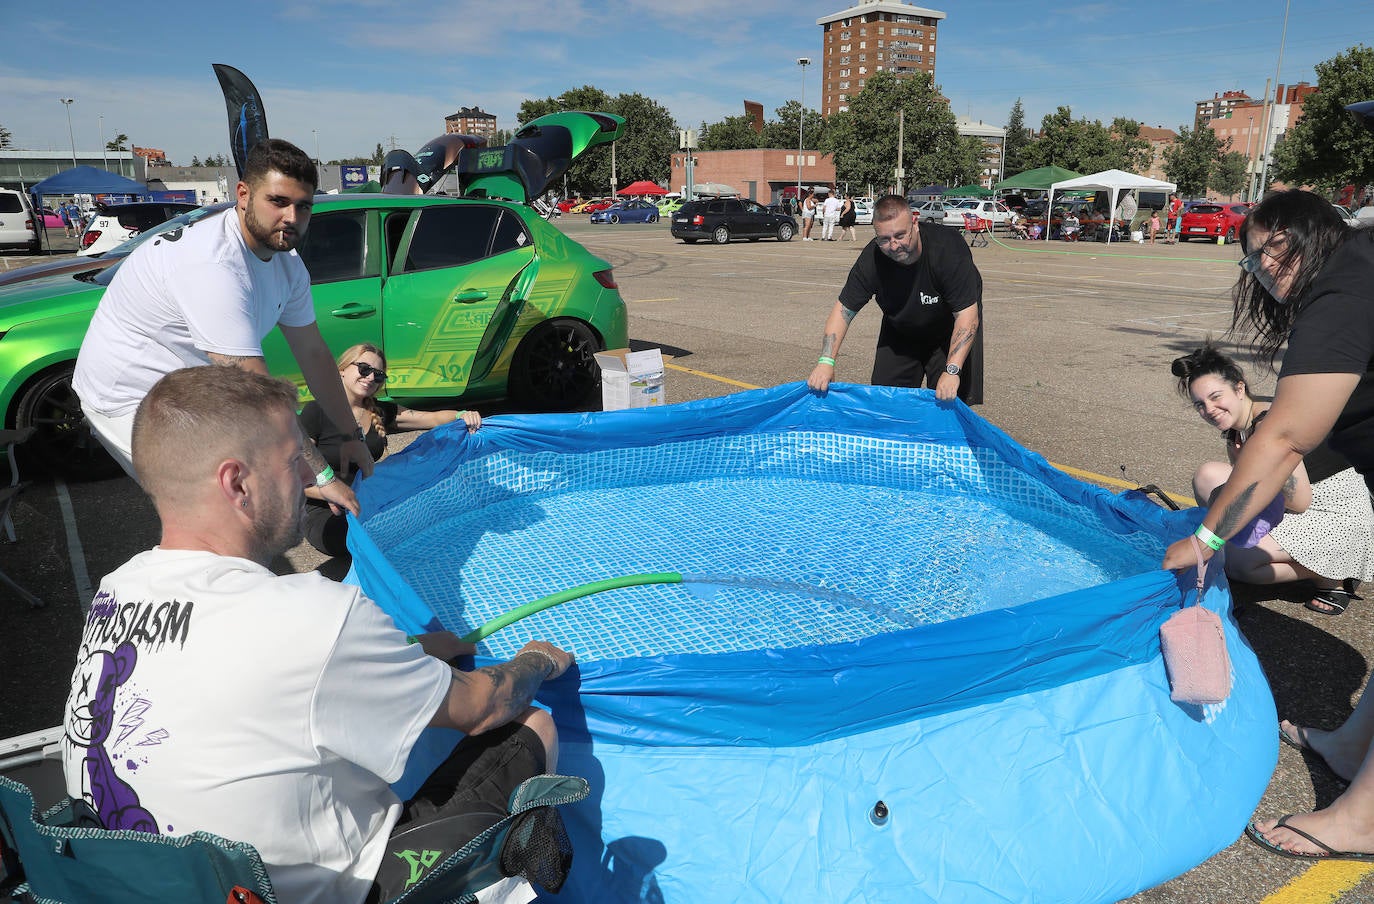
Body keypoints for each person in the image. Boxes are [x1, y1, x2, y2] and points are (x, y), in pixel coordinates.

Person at [61, 365, 575, 904]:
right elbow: (481, 706)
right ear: (237, 484)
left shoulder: (119, 588)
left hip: (142, 881)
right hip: (307, 894)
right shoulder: (316, 614)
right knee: (528, 723)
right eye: (293, 461)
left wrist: (414, 653)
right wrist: (536, 659)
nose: (308, 477)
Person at [1158, 190, 1374, 862]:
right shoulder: (1358, 266)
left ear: (1297, 234)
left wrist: (1207, 537)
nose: (1258, 270)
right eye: (1249, 262)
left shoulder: (1347, 281)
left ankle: (1363, 822)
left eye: (1263, 253)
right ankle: (1350, 742)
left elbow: (1285, 435)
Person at [72, 138, 369, 516]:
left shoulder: (288, 265)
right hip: (128, 397)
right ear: (242, 194)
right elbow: (259, 393)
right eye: (278, 201)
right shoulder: (214, 266)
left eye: (304, 206)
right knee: (211, 513)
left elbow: (313, 353)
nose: (293, 217)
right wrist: (322, 476)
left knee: (254, 488)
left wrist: (349, 434)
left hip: (193, 387)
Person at [1171, 344, 1372, 613]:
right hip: (1299, 505)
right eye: (1200, 405)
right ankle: (1264, 551)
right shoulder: (1236, 431)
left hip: (1335, 511)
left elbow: (1300, 501)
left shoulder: (1267, 425)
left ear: (1239, 389)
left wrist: (1227, 524)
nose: (1210, 409)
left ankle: (1334, 574)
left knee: (1238, 562)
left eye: (1216, 396)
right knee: (1207, 476)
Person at [301, 343, 483, 558]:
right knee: (360, 539)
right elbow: (292, 478)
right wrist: (329, 492)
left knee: (428, 517)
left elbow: (430, 418)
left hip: (368, 501)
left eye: (378, 375)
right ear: (342, 369)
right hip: (325, 508)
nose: (370, 378)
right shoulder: (316, 411)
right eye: (364, 369)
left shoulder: (378, 411)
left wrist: (462, 414)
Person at [806, 194, 983, 404]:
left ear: (914, 224)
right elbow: (843, 310)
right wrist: (826, 362)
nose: (894, 246)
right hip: (901, 329)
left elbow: (966, 315)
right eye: (884, 239)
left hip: (949, 329)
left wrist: (952, 371)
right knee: (885, 403)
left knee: (948, 403)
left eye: (900, 235)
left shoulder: (947, 249)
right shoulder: (872, 258)